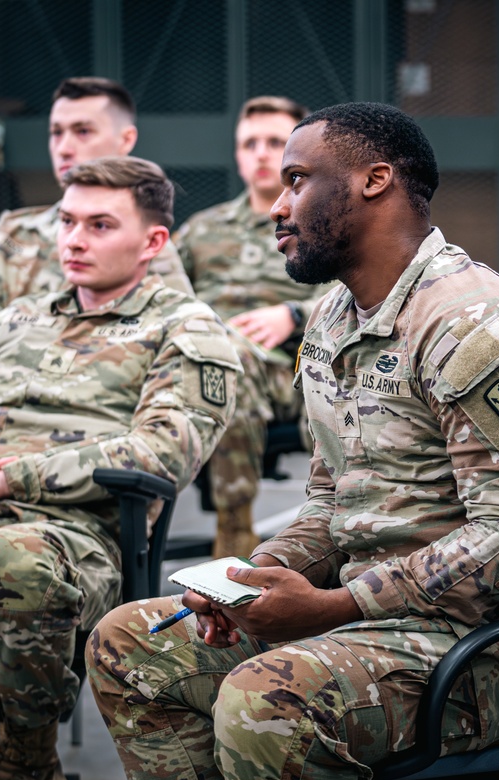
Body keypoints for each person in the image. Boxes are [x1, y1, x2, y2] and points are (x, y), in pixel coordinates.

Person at [86, 102, 499, 780]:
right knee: (128, 643)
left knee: (267, 699)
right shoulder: (336, 319)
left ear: (375, 181)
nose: (277, 207)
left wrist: (334, 607)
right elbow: (333, 502)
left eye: (297, 180)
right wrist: (253, 577)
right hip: (390, 625)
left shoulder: (474, 325)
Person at [0, 156, 240, 780]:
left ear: (153, 242)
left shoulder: (186, 329)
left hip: (66, 541)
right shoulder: (15, 321)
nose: (73, 239)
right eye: (66, 221)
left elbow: (159, 453)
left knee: (19, 562)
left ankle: (28, 771)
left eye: (98, 224)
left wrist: (7, 479)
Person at [171, 95, 334, 558]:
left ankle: (235, 530)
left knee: (230, 362)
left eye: (274, 142)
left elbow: (363, 284)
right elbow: (164, 295)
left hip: (298, 364)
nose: (262, 153)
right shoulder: (204, 229)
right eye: (250, 144)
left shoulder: (325, 221)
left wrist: (293, 314)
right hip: (210, 358)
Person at [0, 76, 192, 346]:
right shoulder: (12, 235)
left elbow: (175, 328)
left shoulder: (142, 245)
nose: (64, 148)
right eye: (57, 132)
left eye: (83, 131)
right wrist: (12, 350)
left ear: (126, 139)